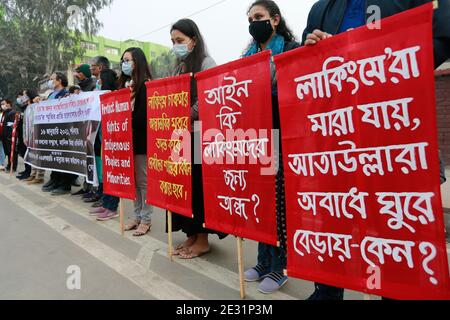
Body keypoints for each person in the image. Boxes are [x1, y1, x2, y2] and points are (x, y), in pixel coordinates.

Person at [302, 0, 450, 301]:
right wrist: (311, 50)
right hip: (337, 141)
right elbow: (305, 70)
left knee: (395, 229)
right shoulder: (321, 9)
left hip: (394, 135)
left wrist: (359, 52)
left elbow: (441, 41)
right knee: (335, 221)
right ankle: (327, 290)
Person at [241, 0, 300, 294]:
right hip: (256, 139)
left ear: (275, 19)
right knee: (261, 202)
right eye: (250, 18)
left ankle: (281, 267)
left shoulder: (290, 50)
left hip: (282, 137)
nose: (254, 22)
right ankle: (263, 261)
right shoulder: (246, 55)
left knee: (280, 206)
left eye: (259, 16)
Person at [165, 18, 227, 260]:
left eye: (179, 40)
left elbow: (210, 95)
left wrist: (187, 115)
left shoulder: (205, 62)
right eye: (172, 41)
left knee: (200, 186)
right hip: (181, 135)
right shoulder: (179, 66)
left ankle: (203, 240)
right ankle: (191, 234)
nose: (175, 45)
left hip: (202, 134)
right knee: (185, 185)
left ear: (194, 40)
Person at [118, 47, 154, 234]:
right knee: (133, 182)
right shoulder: (126, 86)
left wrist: (127, 120)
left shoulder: (146, 85)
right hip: (126, 142)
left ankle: (146, 220)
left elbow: (143, 116)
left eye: (128, 60)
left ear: (137, 62)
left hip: (140, 140)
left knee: (143, 181)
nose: (125, 64)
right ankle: (137, 216)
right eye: (123, 60)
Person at [91, 65, 122, 221]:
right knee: (106, 175)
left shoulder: (116, 98)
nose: (98, 83)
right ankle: (106, 203)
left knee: (113, 175)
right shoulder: (100, 99)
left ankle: (112, 207)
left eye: (100, 81)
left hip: (114, 144)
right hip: (103, 144)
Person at [42, 72, 71, 194]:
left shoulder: (66, 94)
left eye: (52, 79)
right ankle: (55, 179)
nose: (50, 81)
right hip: (51, 130)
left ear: (59, 81)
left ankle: (64, 184)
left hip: (62, 131)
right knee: (54, 157)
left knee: (62, 158)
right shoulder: (51, 94)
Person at [16, 89, 38, 181]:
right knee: (26, 153)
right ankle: (28, 172)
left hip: (33, 135)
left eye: (24, 95)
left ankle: (33, 174)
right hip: (26, 136)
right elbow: (25, 124)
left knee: (33, 155)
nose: (22, 97)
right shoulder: (25, 108)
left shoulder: (35, 106)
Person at [1, 99, 18, 172]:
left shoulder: (12, 112)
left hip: (9, 137)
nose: (2, 105)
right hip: (4, 136)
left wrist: (10, 136)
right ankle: (9, 164)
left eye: (4, 103)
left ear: (8, 104)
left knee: (12, 152)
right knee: (7, 152)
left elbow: (12, 125)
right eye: (1, 104)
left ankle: (13, 167)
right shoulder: (5, 113)